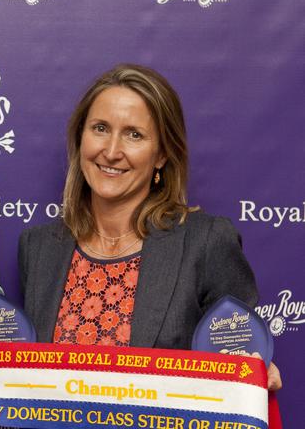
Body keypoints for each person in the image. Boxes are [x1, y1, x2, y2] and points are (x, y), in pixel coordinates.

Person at [18, 64, 281, 389]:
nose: (111, 152)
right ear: (80, 137)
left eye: (134, 135)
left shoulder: (207, 241)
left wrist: (254, 370)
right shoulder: (39, 247)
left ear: (161, 154)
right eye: (100, 128)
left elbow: (241, 358)